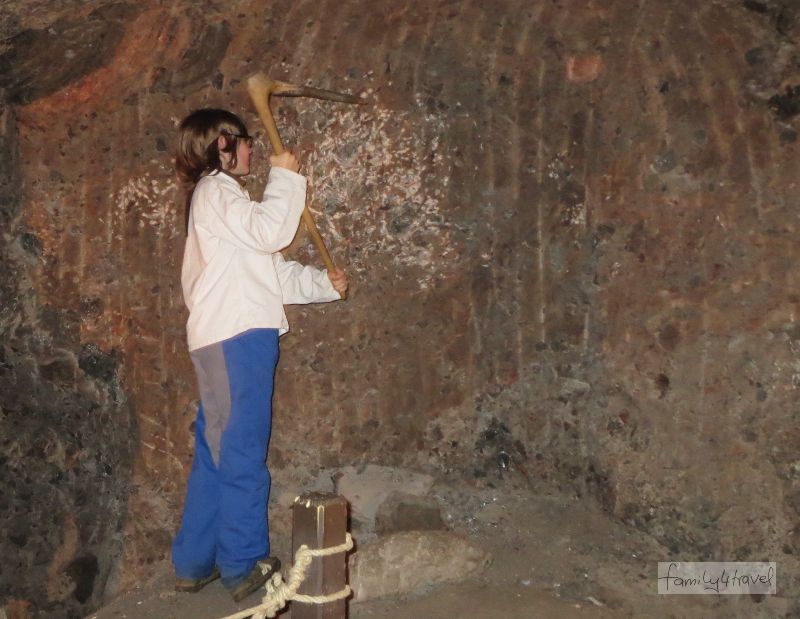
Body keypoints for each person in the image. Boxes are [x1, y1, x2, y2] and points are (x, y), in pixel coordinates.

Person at [170, 108, 348, 602]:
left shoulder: (223, 203)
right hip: (236, 339)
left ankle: (194, 561)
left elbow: (271, 269)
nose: (251, 148)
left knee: (217, 453)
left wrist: (323, 285)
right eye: (244, 141)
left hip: (231, 336)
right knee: (243, 452)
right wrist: (286, 176)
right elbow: (272, 231)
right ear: (221, 145)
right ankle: (243, 564)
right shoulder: (217, 191)